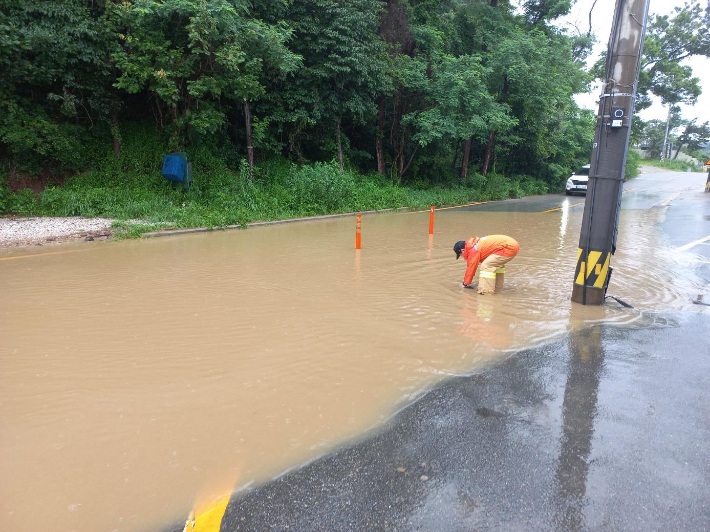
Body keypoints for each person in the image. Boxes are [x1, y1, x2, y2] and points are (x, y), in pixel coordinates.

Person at [454, 235, 520, 295]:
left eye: (460, 255)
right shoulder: (474, 245)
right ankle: (498, 288)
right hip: (512, 245)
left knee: (486, 265)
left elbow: (471, 268)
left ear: (462, 250)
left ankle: (485, 292)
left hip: (508, 247)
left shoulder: (472, 250)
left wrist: (465, 284)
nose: (462, 256)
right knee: (494, 264)